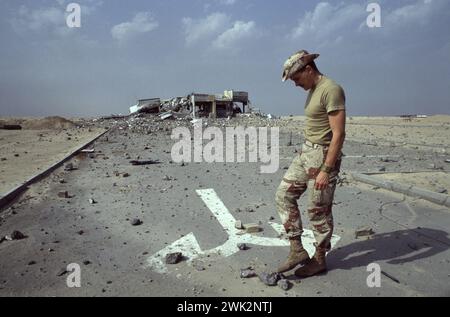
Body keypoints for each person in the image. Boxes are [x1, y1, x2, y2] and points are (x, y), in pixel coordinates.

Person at [275, 50, 346, 278]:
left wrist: (326, 169)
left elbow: (338, 134)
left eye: (296, 79)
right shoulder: (314, 90)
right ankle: (297, 250)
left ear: (308, 69)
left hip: (323, 157)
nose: (295, 84)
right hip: (307, 153)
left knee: (318, 210)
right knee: (284, 195)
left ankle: (319, 260)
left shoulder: (331, 89)